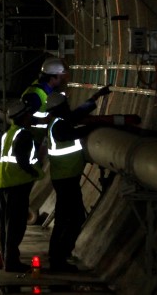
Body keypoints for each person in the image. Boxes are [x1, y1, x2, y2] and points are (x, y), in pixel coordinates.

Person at [45, 86, 110, 272]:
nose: (68, 106)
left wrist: (95, 97)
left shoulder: (60, 120)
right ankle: (58, 259)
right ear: (60, 108)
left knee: (68, 218)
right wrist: (93, 127)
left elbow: (77, 113)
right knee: (70, 219)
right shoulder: (59, 125)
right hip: (65, 179)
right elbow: (72, 133)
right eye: (65, 105)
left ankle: (58, 257)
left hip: (66, 178)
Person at [0, 101, 44, 273]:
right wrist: (33, 172)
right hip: (16, 185)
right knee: (16, 225)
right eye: (29, 114)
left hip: (4, 182)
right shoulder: (23, 135)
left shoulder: (9, 133)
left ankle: (6, 258)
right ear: (24, 117)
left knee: (6, 224)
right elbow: (20, 158)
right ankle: (12, 262)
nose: (31, 116)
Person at [21, 56, 70, 145]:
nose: (62, 79)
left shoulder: (46, 88)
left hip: (42, 137)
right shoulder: (35, 95)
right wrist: (44, 120)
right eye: (60, 76)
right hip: (34, 140)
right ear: (52, 78)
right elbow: (23, 119)